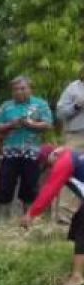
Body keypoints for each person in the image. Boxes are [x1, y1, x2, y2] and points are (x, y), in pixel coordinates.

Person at [20, 145, 84, 285]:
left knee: (82, 231)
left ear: (53, 155)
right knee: (78, 222)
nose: (50, 169)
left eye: (48, 164)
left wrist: (30, 214)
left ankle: (77, 277)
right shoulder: (70, 154)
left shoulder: (64, 162)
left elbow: (50, 190)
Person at [0, 76, 54, 218]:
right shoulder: (6, 105)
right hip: (10, 152)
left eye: (22, 88)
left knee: (30, 186)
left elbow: (48, 124)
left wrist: (31, 124)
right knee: (4, 185)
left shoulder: (41, 104)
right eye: (15, 89)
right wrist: (10, 125)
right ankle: (1, 222)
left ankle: (28, 219)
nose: (19, 92)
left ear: (30, 89)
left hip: (31, 152)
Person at [54, 65, 84, 223]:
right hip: (76, 135)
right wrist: (76, 106)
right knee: (70, 173)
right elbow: (59, 113)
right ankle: (65, 217)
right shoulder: (73, 88)